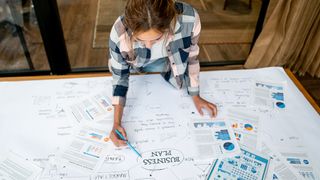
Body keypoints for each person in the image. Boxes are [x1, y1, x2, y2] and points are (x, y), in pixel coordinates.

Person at [108, 0, 217, 147]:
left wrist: (195, 94)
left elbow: (192, 57)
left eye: (157, 38)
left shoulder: (190, 19)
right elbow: (120, 77)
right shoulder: (119, 33)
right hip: (133, 67)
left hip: (168, 65)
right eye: (140, 39)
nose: (148, 45)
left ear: (169, 24)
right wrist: (116, 123)